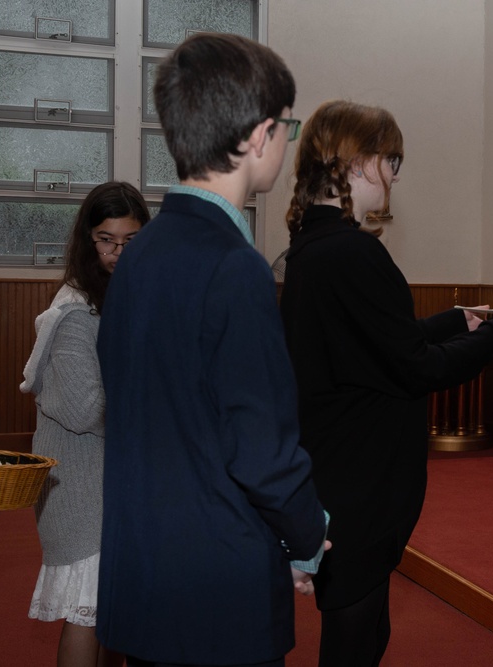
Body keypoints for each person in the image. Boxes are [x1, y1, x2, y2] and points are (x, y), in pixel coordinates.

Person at [279, 99, 493, 667]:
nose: (397, 175)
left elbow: (373, 344)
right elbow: (418, 368)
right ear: (353, 161)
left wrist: (457, 319)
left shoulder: (311, 247)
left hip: (333, 463)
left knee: (362, 630)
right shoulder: (354, 252)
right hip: (363, 476)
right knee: (355, 638)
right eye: (390, 159)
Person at [95, 33, 328, 667]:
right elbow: (259, 447)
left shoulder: (140, 252)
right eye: (288, 126)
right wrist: (307, 537)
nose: (287, 140)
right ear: (259, 136)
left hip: (146, 569)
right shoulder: (234, 266)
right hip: (214, 581)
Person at [21, 181, 150, 667]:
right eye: (106, 240)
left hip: (115, 480)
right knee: (88, 611)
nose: (117, 252)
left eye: (131, 241)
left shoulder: (125, 298)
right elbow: (86, 411)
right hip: (78, 485)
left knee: (114, 608)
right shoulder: (76, 312)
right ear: (85, 239)